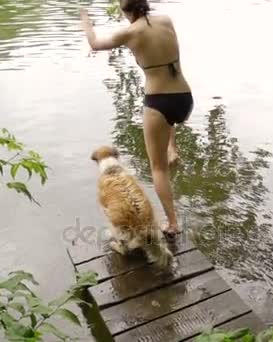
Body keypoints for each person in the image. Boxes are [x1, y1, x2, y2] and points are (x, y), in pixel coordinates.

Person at [80, 0, 193, 237]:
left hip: (158, 102)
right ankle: (172, 146)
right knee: (167, 122)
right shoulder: (166, 20)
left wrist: (85, 20)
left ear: (125, 11)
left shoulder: (130, 32)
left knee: (158, 169)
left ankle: (172, 224)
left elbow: (95, 43)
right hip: (184, 98)